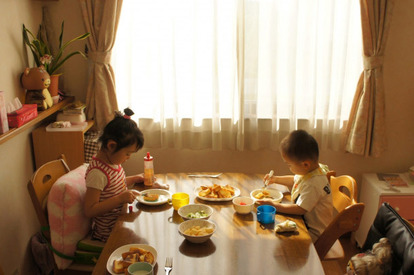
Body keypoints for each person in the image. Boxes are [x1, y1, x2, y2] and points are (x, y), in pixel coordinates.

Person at [84, 108, 168, 242]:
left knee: (156, 223)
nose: (128, 158)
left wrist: (135, 178)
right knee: (151, 239)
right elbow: (89, 210)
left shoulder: (112, 162)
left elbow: (114, 184)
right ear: (111, 146)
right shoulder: (97, 173)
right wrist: (119, 199)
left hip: (122, 219)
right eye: (127, 153)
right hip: (109, 232)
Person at [257, 129, 333, 242]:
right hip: (304, 222)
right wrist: (275, 179)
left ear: (306, 164)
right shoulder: (312, 171)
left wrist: (274, 206)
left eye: (289, 165)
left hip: (315, 233)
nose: (289, 168)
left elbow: (300, 209)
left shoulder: (314, 184)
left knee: (276, 239)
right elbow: (296, 180)